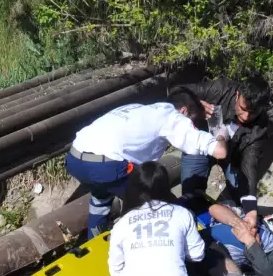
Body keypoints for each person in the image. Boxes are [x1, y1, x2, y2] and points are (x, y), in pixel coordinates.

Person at [67, 89, 228, 238]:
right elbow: (220, 151)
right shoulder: (172, 118)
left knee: (101, 197)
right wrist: (221, 134)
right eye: (192, 121)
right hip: (105, 165)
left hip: (75, 159)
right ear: (184, 111)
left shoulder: (141, 109)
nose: (192, 126)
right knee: (160, 206)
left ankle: (94, 242)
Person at [108, 161, 236, 276]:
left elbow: (114, 266)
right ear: (165, 187)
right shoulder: (181, 213)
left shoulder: (122, 223)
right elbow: (198, 255)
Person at [180, 77, 273, 226]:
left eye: (253, 112)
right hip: (199, 146)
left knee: (238, 201)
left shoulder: (260, 127)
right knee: (191, 197)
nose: (246, 116)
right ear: (237, 95)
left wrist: (251, 211)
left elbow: (249, 167)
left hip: (230, 157)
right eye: (243, 108)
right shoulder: (220, 89)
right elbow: (177, 92)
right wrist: (193, 105)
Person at [198, 202, 273, 276]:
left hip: (214, 261)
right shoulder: (250, 215)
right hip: (197, 241)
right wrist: (240, 224)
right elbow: (214, 208)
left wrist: (251, 243)